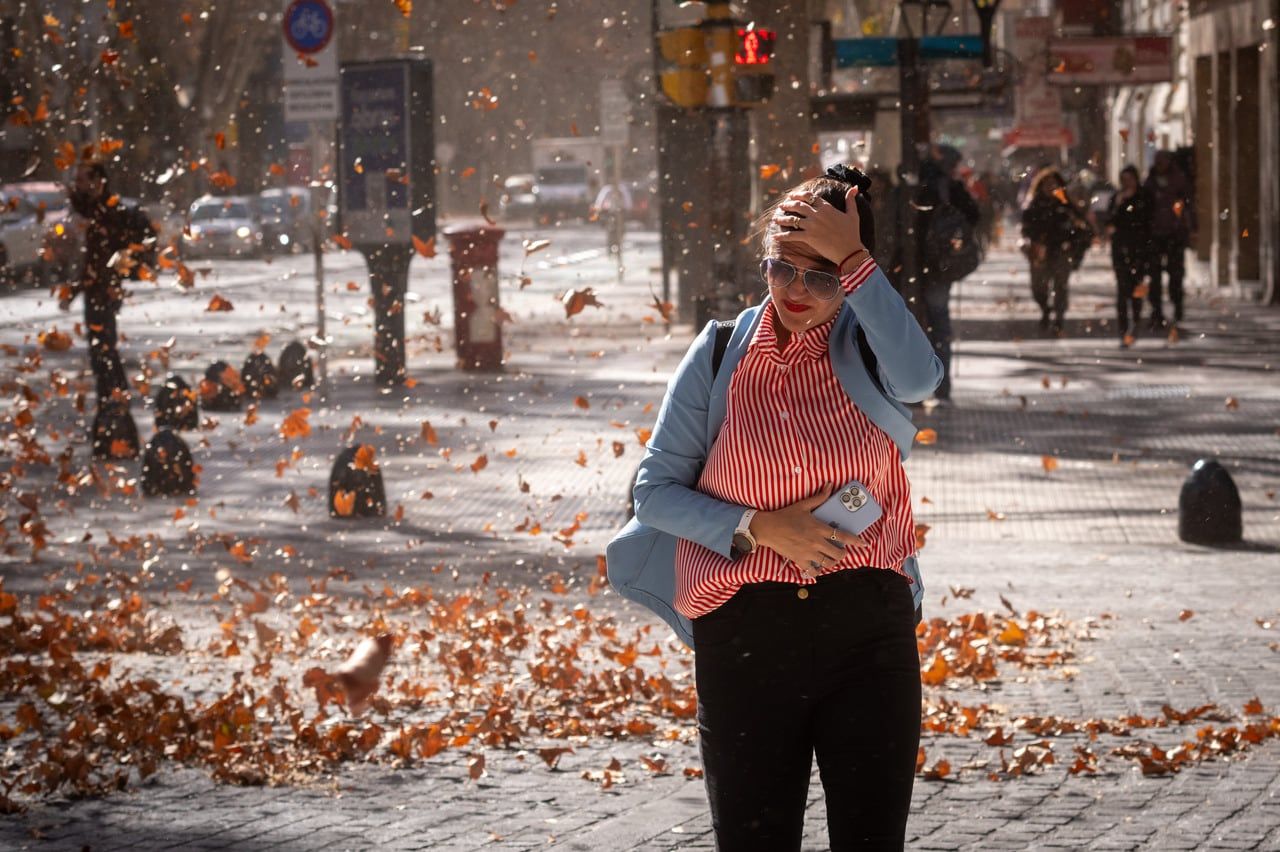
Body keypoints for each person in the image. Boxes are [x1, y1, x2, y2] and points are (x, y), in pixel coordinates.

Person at [625, 165, 942, 850]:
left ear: (854, 275)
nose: (798, 292)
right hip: (746, 639)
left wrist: (855, 260)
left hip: (868, 633)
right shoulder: (718, 356)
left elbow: (922, 378)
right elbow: (653, 493)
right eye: (782, 270)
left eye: (823, 275)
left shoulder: (872, 351)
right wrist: (758, 527)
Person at [60, 161, 154, 403]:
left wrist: (78, 289)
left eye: (81, 179)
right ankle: (115, 395)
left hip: (105, 289)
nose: (77, 184)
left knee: (103, 347)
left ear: (97, 182)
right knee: (102, 348)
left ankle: (113, 397)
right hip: (99, 288)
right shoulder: (91, 210)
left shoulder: (107, 213)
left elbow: (100, 260)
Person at [916, 146, 980, 404]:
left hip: (911, 267)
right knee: (939, 323)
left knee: (911, 327)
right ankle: (942, 387)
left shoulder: (913, 186)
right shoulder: (950, 188)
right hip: (939, 268)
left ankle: (915, 388)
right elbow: (974, 215)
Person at [1020, 167, 1090, 334]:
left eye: (1054, 184)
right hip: (1040, 251)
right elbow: (1026, 227)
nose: (1051, 188)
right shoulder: (1034, 205)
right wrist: (1032, 241)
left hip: (1061, 250)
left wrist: (1074, 246)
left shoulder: (1066, 204)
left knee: (1061, 286)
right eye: (1047, 184)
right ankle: (1045, 308)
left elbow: (1084, 228)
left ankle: (1059, 318)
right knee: (1038, 287)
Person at [1143, 150, 1195, 327]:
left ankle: (1177, 304)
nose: (1160, 164)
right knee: (1154, 275)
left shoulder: (1178, 179)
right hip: (1155, 235)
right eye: (1158, 160)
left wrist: (1187, 226)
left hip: (1175, 233)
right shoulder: (1150, 182)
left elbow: (1187, 203)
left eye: (1163, 160)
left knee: (1176, 274)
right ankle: (1156, 310)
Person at [1106, 165, 1153, 347]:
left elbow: (1148, 221)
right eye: (1123, 180)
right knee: (1121, 290)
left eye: (1129, 179)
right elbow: (1109, 221)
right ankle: (1123, 329)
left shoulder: (1144, 197)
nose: (1127, 183)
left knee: (1136, 288)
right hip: (1120, 248)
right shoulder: (1117, 198)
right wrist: (1118, 204)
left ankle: (1135, 322)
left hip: (1139, 249)